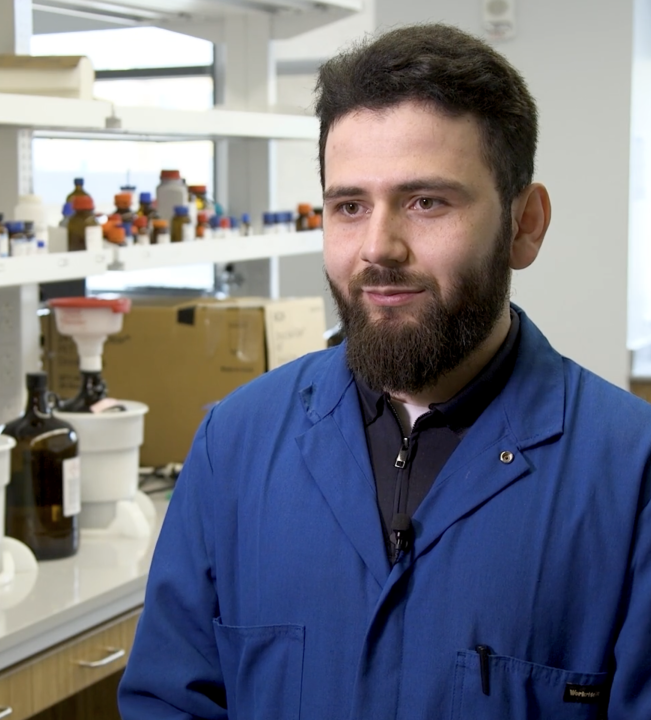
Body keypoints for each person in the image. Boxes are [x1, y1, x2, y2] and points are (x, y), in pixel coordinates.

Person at [118, 23, 651, 719]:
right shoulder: (235, 444)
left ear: (525, 225)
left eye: (426, 202)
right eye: (349, 206)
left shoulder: (631, 471)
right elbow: (169, 703)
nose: (378, 247)